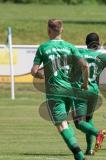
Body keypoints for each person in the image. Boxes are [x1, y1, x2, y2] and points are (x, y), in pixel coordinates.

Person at [31, 19, 89, 160]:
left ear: (48, 31)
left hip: (54, 91)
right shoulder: (70, 47)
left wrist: (39, 75)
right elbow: (85, 66)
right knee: (65, 123)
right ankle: (78, 152)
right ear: (62, 30)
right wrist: (85, 84)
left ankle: (79, 155)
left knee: (61, 125)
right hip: (69, 90)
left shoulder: (43, 48)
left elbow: (34, 71)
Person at [70, 32, 106, 155]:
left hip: (81, 90)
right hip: (94, 91)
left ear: (86, 43)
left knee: (79, 122)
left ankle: (98, 133)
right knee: (89, 118)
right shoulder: (102, 57)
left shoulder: (79, 53)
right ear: (98, 44)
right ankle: (89, 149)